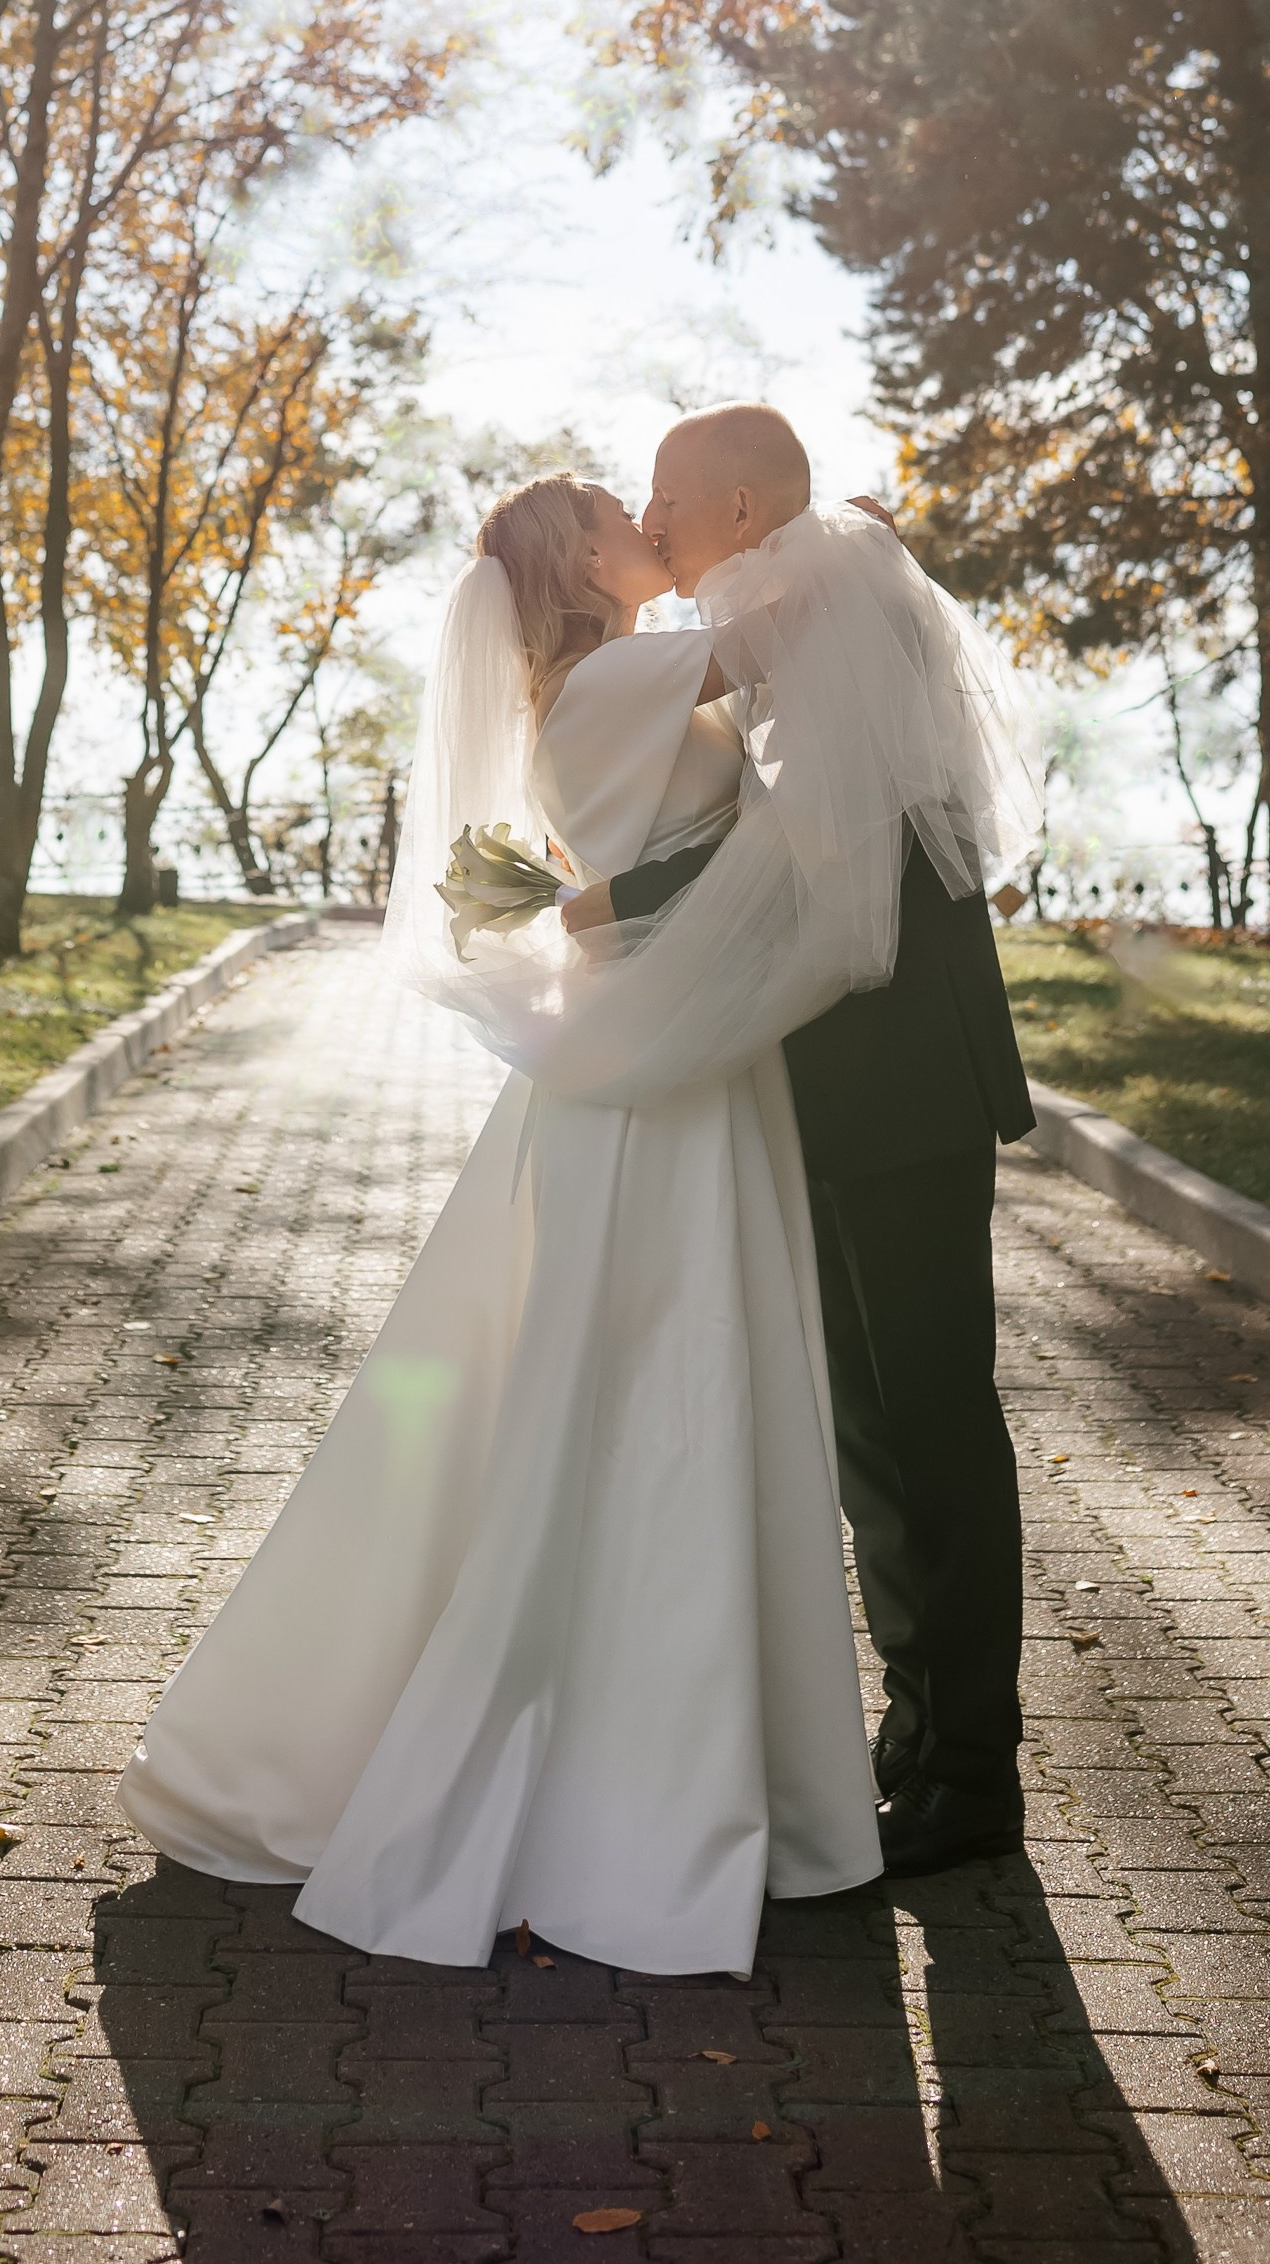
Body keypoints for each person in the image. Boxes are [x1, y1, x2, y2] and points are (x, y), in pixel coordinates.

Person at [118, 472, 884, 1977]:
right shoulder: (615, 676)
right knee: (651, 1386)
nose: (649, 522)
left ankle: (694, 1754)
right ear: (577, 562)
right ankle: (622, 1784)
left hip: (665, 1070)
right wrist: (824, 519)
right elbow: (794, 631)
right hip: (656, 1098)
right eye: (622, 511)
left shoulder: (592, 684)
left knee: (633, 1382)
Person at [561, 406, 1035, 1877]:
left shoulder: (816, 576)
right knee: (870, 1425)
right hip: (837, 1070)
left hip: (904, 1069)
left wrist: (606, 910)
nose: (655, 526)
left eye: (670, 502)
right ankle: (918, 1727)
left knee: (935, 1412)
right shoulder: (791, 598)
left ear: (746, 504)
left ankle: (974, 1768)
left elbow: (807, 858)